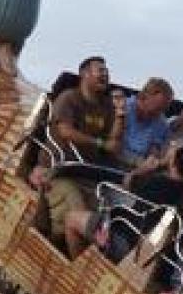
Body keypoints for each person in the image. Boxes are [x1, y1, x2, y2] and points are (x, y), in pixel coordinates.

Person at [39, 55, 124, 256]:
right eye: (100, 70)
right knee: (77, 211)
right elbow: (65, 131)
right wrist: (99, 142)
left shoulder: (106, 106)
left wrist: (120, 114)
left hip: (88, 174)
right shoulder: (69, 98)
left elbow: (114, 145)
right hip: (60, 170)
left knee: (108, 216)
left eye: (106, 71)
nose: (105, 74)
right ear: (84, 74)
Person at [120, 76, 176, 175]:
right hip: (113, 161)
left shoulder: (161, 123)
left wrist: (155, 161)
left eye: (163, 109)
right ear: (145, 97)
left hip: (137, 171)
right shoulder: (122, 107)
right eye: (158, 108)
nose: (160, 113)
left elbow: (153, 153)